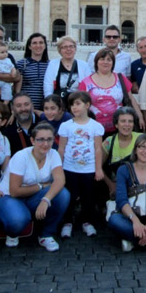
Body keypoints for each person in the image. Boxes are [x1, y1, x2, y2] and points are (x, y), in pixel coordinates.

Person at [0, 123, 70, 252]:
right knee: (18, 220)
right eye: (40, 139)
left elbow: (60, 180)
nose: (45, 144)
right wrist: (41, 186)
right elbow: (14, 191)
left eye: (49, 139)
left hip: (31, 197)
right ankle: (11, 231)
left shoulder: (53, 154)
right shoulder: (21, 156)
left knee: (63, 194)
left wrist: (46, 200)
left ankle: (46, 234)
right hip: (8, 197)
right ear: (32, 140)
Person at [57, 91, 104, 239]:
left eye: (78, 104)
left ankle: (87, 221)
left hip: (88, 169)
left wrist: (98, 169)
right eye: (72, 105)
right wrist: (58, 169)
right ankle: (67, 222)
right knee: (69, 197)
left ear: (87, 105)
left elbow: (98, 148)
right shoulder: (66, 126)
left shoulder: (95, 126)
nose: (74, 107)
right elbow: (61, 148)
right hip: (69, 168)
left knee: (88, 197)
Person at [79, 49, 143, 135]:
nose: (105, 62)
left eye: (109, 59)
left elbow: (131, 98)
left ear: (113, 63)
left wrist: (140, 116)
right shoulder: (86, 82)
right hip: (94, 130)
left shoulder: (121, 78)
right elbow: (82, 106)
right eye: (102, 59)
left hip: (120, 128)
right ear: (96, 62)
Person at [101, 107, 143, 198]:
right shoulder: (109, 142)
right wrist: (110, 185)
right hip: (117, 185)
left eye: (130, 121)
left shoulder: (141, 138)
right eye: (123, 121)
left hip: (141, 184)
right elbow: (97, 166)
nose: (127, 125)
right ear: (116, 124)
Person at [42, 36, 91, 107]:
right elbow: (48, 85)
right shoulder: (53, 64)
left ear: (75, 48)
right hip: (58, 105)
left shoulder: (84, 65)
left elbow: (88, 86)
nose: (68, 49)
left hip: (78, 105)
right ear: (60, 50)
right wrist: (50, 103)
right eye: (64, 47)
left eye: (71, 46)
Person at [14, 33, 50, 112]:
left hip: (46, 109)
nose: (38, 45)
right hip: (25, 108)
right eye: (34, 43)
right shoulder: (21, 64)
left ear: (45, 46)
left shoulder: (51, 65)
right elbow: (16, 88)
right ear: (29, 46)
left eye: (41, 43)